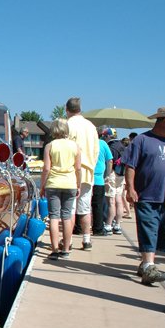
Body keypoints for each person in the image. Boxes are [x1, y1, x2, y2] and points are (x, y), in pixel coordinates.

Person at [121, 106, 165, 285]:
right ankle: (149, 266)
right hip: (146, 195)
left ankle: (146, 263)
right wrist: (130, 188)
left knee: (163, 234)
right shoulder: (142, 140)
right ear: (164, 120)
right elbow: (130, 166)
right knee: (148, 229)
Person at [40, 118, 81, 259]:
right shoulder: (75, 146)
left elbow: (46, 168)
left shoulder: (50, 146)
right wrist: (78, 185)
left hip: (53, 184)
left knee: (54, 217)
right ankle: (66, 250)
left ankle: (55, 249)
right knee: (67, 216)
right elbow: (78, 168)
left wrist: (42, 186)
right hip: (70, 184)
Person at [66, 97, 100, 250]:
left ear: (67, 110)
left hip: (71, 172)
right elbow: (96, 150)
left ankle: (69, 240)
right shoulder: (91, 126)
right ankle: (87, 239)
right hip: (88, 171)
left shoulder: (68, 125)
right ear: (80, 109)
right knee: (85, 208)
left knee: (70, 208)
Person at [92, 126, 113, 235]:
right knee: (98, 205)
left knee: (81, 205)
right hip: (99, 178)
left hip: (85, 178)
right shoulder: (103, 144)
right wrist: (107, 176)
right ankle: (98, 228)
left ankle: (78, 227)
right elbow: (109, 161)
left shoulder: (87, 143)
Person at [104, 128, 125, 233]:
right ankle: (118, 224)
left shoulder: (111, 147)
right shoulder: (122, 146)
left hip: (112, 174)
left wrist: (107, 175)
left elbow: (110, 162)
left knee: (111, 201)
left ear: (108, 136)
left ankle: (108, 224)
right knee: (119, 200)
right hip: (121, 175)